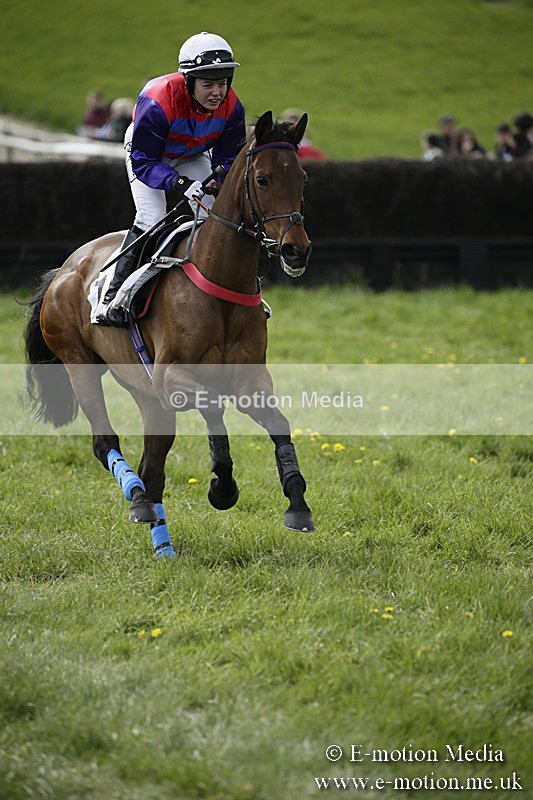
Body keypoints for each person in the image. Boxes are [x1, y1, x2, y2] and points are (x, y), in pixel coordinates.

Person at [96, 31, 246, 326]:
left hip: (192, 154)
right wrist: (179, 184)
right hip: (149, 153)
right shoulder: (157, 101)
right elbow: (145, 162)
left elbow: (228, 159)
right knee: (152, 217)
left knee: (217, 217)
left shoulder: (233, 106)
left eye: (222, 83)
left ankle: (226, 293)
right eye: (208, 85)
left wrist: (216, 181)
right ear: (188, 82)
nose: (217, 92)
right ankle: (114, 294)